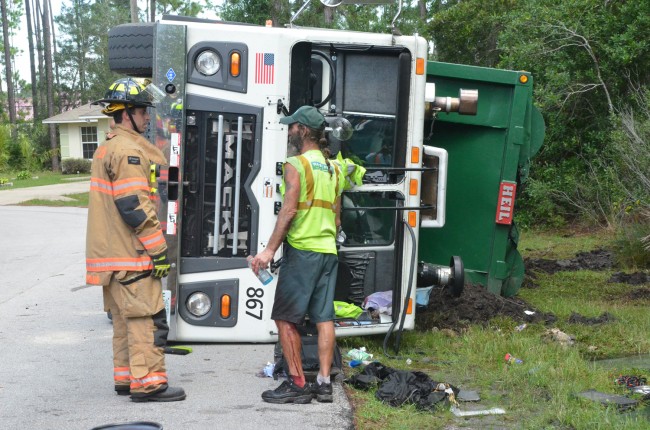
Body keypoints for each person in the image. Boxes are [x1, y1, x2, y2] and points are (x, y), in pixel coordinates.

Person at [86, 77, 186, 402]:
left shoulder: (108, 148)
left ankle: (126, 379)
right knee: (145, 319)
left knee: (124, 322)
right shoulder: (129, 152)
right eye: (143, 111)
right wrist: (158, 250)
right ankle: (149, 384)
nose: (147, 118)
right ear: (126, 113)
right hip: (132, 256)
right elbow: (134, 206)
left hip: (113, 259)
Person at [249, 105, 344, 404]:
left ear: (303, 130)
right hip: (328, 251)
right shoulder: (335, 168)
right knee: (323, 317)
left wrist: (268, 250)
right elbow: (337, 218)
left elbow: (288, 210)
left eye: (292, 126)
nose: (289, 131)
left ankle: (298, 384)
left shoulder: (296, 164)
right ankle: (324, 383)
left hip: (303, 251)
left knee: (285, 319)